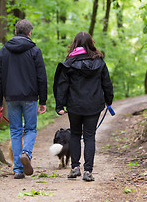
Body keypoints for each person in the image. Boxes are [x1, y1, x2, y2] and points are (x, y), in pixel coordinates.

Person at [53, 32, 113, 182]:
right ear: (91, 43)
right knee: (89, 136)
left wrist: (60, 105)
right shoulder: (100, 62)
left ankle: (74, 168)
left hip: (74, 105)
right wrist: (108, 100)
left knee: (74, 134)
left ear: (75, 43)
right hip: (94, 105)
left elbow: (62, 85)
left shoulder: (69, 63)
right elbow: (107, 83)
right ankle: (88, 171)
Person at [0, 19, 47, 179]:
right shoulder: (35, 51)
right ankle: (26, 154)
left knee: (15, 131)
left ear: (15, 32)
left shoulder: (4, 51)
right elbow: (41, 77)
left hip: (11, 97)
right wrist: (43, 100)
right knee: (30, 129)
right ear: (29, 33)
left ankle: (17, 169)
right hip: (30, 97)